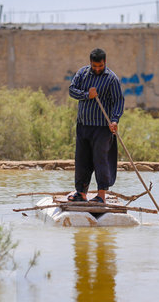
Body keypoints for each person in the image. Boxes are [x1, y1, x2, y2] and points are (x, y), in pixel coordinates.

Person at [68, 48, 124, 203]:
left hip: (102, 128)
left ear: (105, 62)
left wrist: (114, 120)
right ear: (90, 63)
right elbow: (72, 90)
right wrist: (87, 95)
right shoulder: (82, 74)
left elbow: (118, 101)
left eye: (100, 66)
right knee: (82, 160)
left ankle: (101, 196)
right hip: (83, 125)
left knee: (101, 160)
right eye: (95, 66)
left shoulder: (112, 79)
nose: (97, 69)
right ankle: (81, 193)